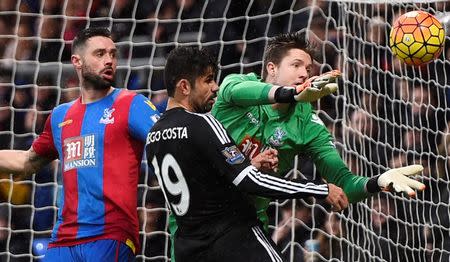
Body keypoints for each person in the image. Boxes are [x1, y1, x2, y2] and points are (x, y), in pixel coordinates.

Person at [145, 46, 349, 262]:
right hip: (233, 237)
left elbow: (205, 185)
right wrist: (318, 188)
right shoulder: (203, 122)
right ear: (184, 86)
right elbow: (250, 182)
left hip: (189, 246)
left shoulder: (153, 136)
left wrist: (248, 164)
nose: (215, 87)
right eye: (208, 80)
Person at [211, 31, 426, 231]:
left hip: (248, 223)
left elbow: (344, 186)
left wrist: (376, 182)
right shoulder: (238, 84)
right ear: (271, 68)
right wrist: (292, 93)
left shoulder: (309, 124)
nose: (304, 74)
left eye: (308, 69)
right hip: (201, 209)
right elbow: (232, 92)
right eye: (296, 65)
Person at [0, 27, 160, 260]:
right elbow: (27, 161)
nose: (109, 60)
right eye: (99, 54)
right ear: (77, 61)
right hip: (63, 238)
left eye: (112, 54)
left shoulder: (131, 103)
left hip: (110, 235)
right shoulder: (59, 116)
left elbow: (170, 138)